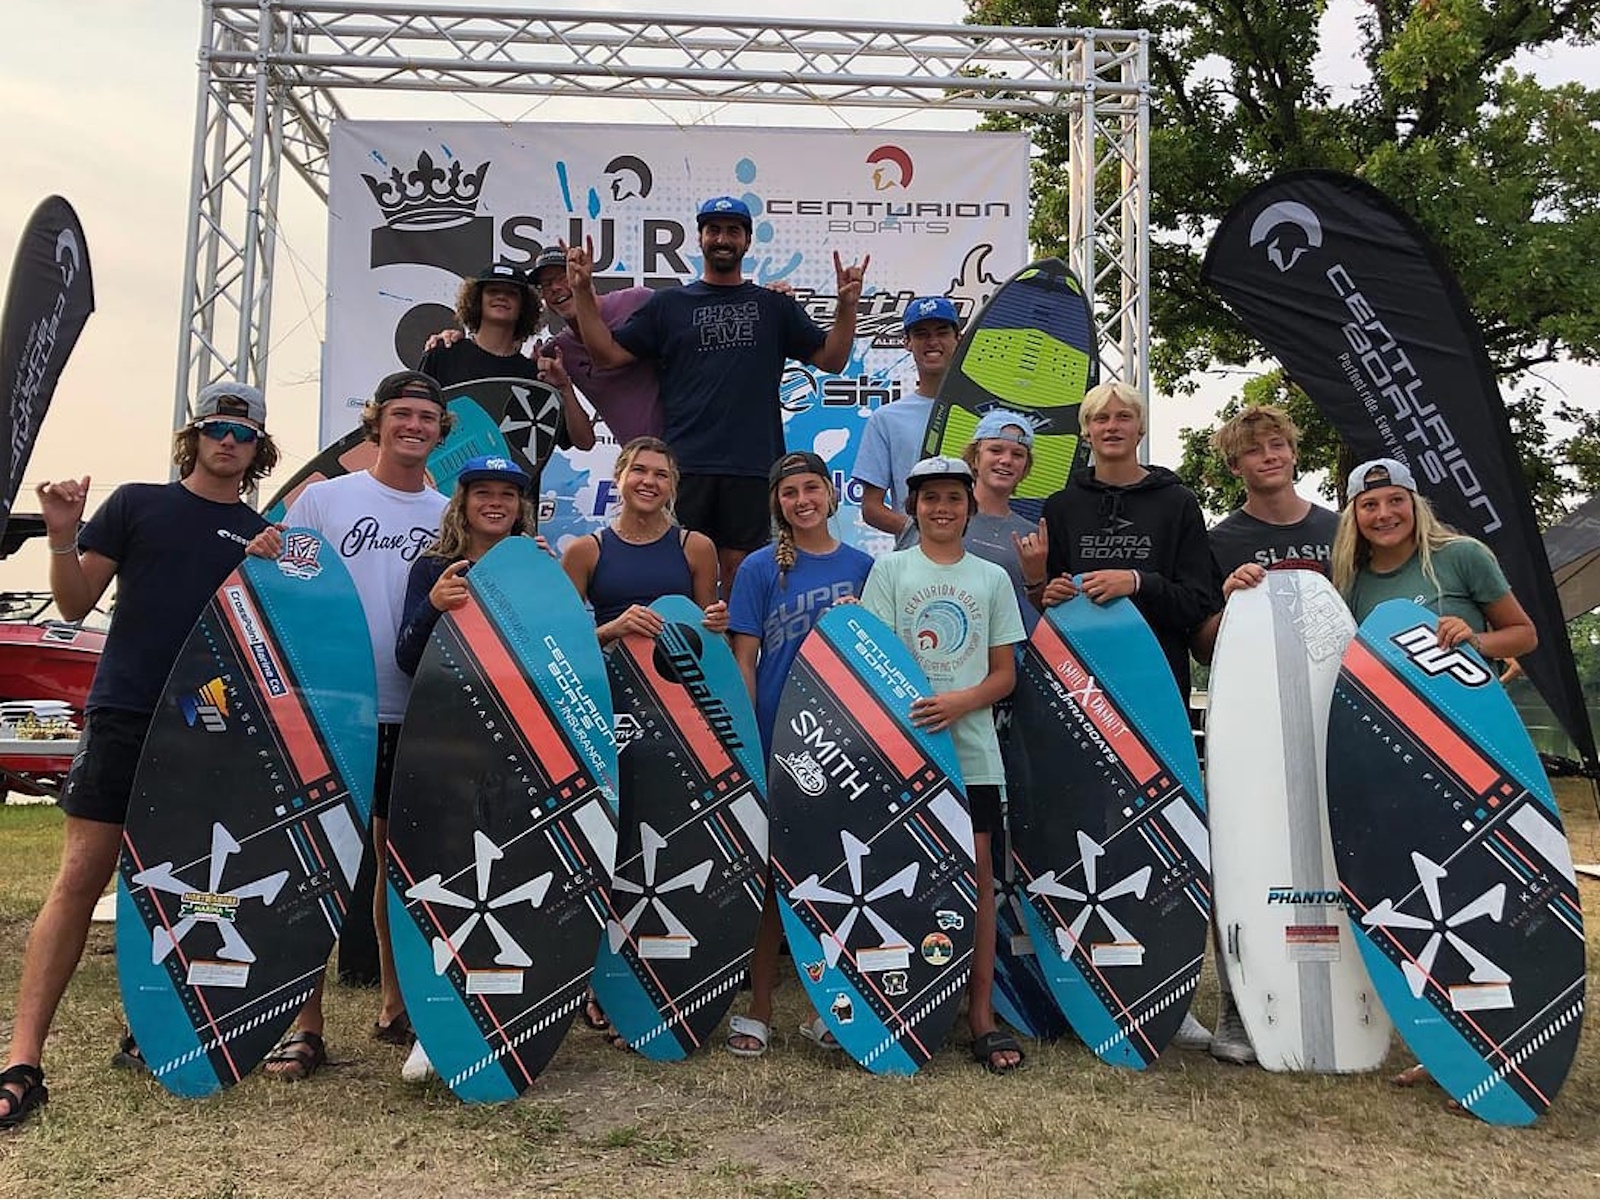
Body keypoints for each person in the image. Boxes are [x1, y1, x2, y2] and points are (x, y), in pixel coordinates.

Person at [0, 382, 279, 1128]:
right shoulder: (135, 504)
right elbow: (72, 603)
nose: (229, 441)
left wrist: (276, 569)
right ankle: (22, 1059)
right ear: (194, 437)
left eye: (243, 434)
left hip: (207, 718)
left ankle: (153, 1033)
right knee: (79, 880)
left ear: (258, 449)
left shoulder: (262, 535)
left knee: (181, 885)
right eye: (217, 428)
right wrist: (62, 535)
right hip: (125, 710)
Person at [246, 370, 453, 1080]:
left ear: (441, 431)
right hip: (330, 707)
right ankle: (304, 1026)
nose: (414, 426)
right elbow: (286, 587)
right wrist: (265, 553)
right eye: (402, 413)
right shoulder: (326, 499)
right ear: (377, 420)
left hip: (414, 705)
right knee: (316, 859)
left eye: (427, 416)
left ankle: (396, 1005)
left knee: (400, 865)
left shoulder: (449, 513)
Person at [1021, 380, 1221, 1051]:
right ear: (1086, 431)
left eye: (1122, 416)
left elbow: (1199, 601)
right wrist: (1046, 588)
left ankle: (1170, 993)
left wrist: (1137, 581)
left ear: (1139, 427)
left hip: (1154, 693)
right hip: (1078, 697)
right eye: (1099, 417)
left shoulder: (1177, 502)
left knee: (1160, 840)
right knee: (1084, 835)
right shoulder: (1061, 506)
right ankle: (1083, 981)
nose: (1111, 426)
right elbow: (1050, 606)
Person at [1332, 456, 1537, 1095]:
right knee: (1428, 901)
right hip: (1400, 762)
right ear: (1354, 516)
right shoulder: (1352, 581)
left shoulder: (1461, 557)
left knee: (1487, 889)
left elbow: (1523, 635)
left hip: (1473, 752)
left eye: (1395, 500)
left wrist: (1475, 639)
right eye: (1369, 506)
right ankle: (1450, 1044)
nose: (1384, 514)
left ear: (1414, 503)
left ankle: (1506, 1034)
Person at [566, 196, 868, 595]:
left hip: (752, 463)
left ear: (747, 241)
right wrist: (582, 291)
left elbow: (832, 359)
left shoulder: (773, 305)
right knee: (678, 570)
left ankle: (731, 639)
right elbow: (606, 354)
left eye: (732, 231)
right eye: (714, 230)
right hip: (686, 463)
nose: (723, 239)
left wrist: (847, 306)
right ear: (701, 238)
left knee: (740, 571)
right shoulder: (668, 304)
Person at [861, 456, 1028, 1074]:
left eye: (953, 498)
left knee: (978, 881)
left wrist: (960, 701)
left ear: (969, 507)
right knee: (900, 876)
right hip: (904, 753)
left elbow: (1005, 675)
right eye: (930, 498)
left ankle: (980, 1015)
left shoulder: (992, 577)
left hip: (974, 755)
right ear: (914, 507)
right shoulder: (890, 570)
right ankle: (900, 1001)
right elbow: (871, 659)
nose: (941, 508)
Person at [559, 435, 728, 1041]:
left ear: (672, 486)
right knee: (606, 841)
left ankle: (656, 972)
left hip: (677, 715)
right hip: (606, 712)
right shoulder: (585, 550)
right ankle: (596, 983)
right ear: (621, 477)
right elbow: (560, 644)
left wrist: (715, 622)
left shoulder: (695, 547)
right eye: (640, 471)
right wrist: (614, 628)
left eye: (661, 474)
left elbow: (709, 639)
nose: (649, 481)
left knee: (664, 840)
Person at [723, 451, 874, 1058]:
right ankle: (759, 1008)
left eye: (812, 488)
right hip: (775, 737)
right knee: (769, 881)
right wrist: (747, 735)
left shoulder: (864, 567)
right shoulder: (760, 568)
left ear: (830, 494)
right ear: (778, 503)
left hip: (842, 741)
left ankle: (829, 1011)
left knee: (834, 876)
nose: (802, 500)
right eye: (790, 493)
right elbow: (744, 659)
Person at [1190, 403, 1339, 665]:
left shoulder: (1341, 529)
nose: (1269, 456)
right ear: (1234, 466)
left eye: (1277, 445)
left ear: (1293, 454)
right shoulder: (1216, 543)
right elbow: (1202, 652)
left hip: (1342, 676)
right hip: (1260, 680)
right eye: (1253, 450)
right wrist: (1233, 604)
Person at [417, 261, 596, 475]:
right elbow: (414, 419)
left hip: (515, 493)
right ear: (476, 300)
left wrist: (564, 387)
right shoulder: (443, 353)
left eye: (511, 293)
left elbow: (584, 441)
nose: (501, 297)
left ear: (524, 306)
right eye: (493, 291)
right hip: (444, 487)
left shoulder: (536, 376)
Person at [394, 454, 538, 677]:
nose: (496, 502)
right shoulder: (432, 566)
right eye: (483, 493)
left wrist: (549, 576)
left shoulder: (535, 569)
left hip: (519, 696)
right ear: (463, 504)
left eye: (507, 494)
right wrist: (433, 605)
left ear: (519, 508)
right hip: (451, 696)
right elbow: (407, 661)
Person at [898, 408, 1040, 631]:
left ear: (1025, 467)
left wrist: (1037, 580)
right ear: (975, 458)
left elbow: (1037, 611)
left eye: (1017, 454)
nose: (1006, 460)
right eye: (995, 450)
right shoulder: (936, 517)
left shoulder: (1032, 535)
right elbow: (898, 583)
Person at [527, 245, 663, 445]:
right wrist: (563, 387)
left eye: (563, 277)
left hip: (689, 448)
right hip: (637, 459)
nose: (555, 288)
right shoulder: (556, 353)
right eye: (546, 284)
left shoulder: (638, 301)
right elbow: (584, 443)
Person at [852, 296, 960, 538]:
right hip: (915, 556)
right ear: (907, 342)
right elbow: (871, 508)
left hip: (979, 556)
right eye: (921, 334)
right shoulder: (886, 419)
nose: (932, 341)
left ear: (958, 338)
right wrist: (923, 534)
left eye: (942, 332)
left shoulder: (984, 414)